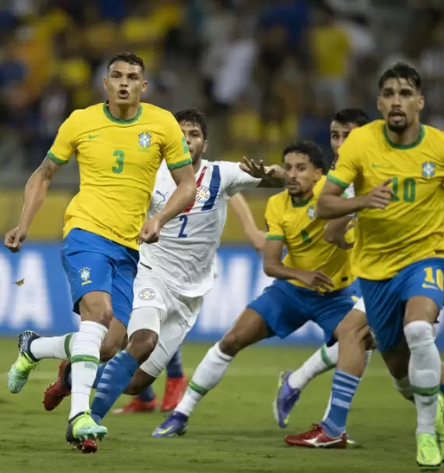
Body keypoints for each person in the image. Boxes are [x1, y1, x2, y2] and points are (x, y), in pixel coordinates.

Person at [3, 53, 198, 451]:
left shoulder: (161, 123)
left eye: (133, 77)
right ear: (105, 83)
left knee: (109, 344)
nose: (124, 82)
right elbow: (43, 173)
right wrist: (23, 223)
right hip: (85, 232)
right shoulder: (80, 121)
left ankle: (34, 346)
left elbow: (187, 185)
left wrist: (158, 220)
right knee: (99, 313)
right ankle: (80, 417)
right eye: (117, 76)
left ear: (144, 87)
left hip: (128, 247)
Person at [153, 141, 358, 439]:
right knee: (232, 340)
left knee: (362, 342)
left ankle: (317, 407)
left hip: (335, 295)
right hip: (290, 291)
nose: (292, 175)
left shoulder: (335, 196)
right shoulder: (277, 205)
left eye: (301, 169)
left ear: (319, 174)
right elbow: (271, 265)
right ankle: (181, 413)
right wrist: (301, 274)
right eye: (288, 168)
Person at [317, 62, 444, 469]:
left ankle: (425, 433)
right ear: (379, 102)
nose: (396, 100)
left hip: (425, 256)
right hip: (374, 271)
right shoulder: (360, 144)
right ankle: (427, 400)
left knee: (420, 329)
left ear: (420, 102)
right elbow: (324, 205)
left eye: (405, 93)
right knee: (398, 368)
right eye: (388, 93)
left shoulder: (438, 147)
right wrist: (362, 201)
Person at [117, 192, 267, 415]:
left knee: (152, 321)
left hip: (186, 264)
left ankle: (175, 377)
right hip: (151, 253)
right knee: (130, 324)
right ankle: (147, 395)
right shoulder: (154, 167)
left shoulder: (198, 170)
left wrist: (251, 229)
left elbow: (232, 191)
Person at [274, 108, 372, 430]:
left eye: (349, 135)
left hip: (385, 267)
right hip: (369, 270)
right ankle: (332, 425)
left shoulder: (372, 168)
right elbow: (328, 222)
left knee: (372, 341)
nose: (340, 143)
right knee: (363, 339)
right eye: (335, 135)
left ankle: (300, 386)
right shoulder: (338, 177)